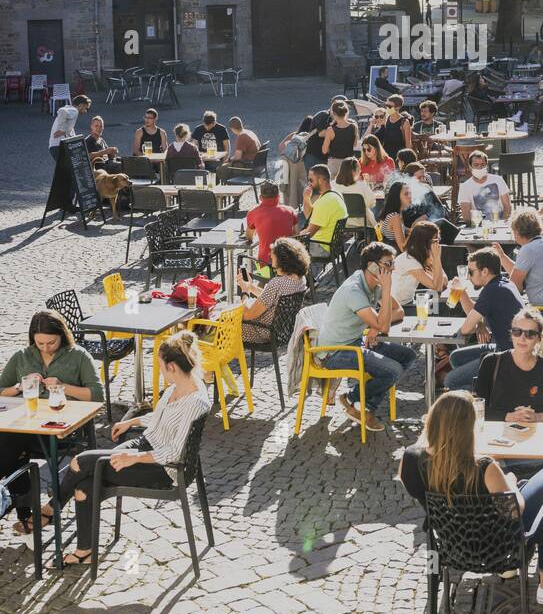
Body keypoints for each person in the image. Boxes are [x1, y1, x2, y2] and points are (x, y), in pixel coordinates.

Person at [398, 390, 543, 605]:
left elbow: (417, 490)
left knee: (534, 486)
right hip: (498, 545)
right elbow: (515, 509)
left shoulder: (409, 460)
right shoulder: (483, 467)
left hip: (451, 542)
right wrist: (509, 481)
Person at [53, 331, 210, 568]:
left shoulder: (195, 401)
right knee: (85, 479)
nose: (159, 370)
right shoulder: (178, 386)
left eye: (160, 366)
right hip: (145, 445)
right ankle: (84, 549)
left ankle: (49, 511)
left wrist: (133, 458)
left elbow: (174, 453)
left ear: (171, 367)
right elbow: (160, 419)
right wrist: (131, 422)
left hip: (162, 468)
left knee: (82, 462)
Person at [0, 311, 104, 535]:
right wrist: (20, 387)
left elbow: (97, 395)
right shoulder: (22, 356)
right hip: (26, 428)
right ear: (32, 339)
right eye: (40, 343)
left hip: (63, 432)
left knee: (9, 443)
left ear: (62, 335)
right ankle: (26, 515)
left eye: (51, 342)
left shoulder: (79, 356)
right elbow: (1, 390)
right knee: (9, 440)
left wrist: (62, 386)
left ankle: (19, 509)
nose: (46, 347)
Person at [317, 242, 415, 431]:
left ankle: (358, 402)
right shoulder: (354, 290)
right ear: (372, 265)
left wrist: (375, 328)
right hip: (334, 352)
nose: (392, 269)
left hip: (355, 342)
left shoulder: (373, 283)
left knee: (408, 355)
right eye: (388, 264)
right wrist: (379, 318)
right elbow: (384, 323)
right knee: (393, 370)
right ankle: (360, 404)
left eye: (393, 263)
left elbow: (398, 311)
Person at [445, 248, 523, 390]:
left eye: (471, 272)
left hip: (507, 355)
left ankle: (489, 397)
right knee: (456, 357)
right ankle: (484, 384)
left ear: (485, 271)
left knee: (451, 381)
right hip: (509, 348)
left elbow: (466, 329)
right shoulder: (503, 282)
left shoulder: (491, 291)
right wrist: (461, 293)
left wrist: (475, 323)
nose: (468, 277)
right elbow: (476, 312)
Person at [475, 307, 543, 422]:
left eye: (530, 334)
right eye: (517, 332)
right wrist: (509, 416)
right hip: (498, 436)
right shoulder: (491, 362)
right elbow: (476, 408)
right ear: (511, 335)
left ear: (539, 338)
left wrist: (536, 417)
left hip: (537, 435)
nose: (522, 338)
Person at [236, 236, 310, 344]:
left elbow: (248, 314)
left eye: (273, 256)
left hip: (261, 331)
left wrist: (245, 293)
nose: (270, 257)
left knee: (220, 321)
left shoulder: (277, 283)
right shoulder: (300, 279)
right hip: (282, 331)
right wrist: (251, 287)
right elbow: (272, 298)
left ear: (282, 260)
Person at [244, 181, 297, 270]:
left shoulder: (253, 212)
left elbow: (249, 236)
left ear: (260, 197)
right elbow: (297, 235)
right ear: (278, 197)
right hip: (289, 262)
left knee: (263, 279)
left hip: (266, 263)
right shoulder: (290, 211)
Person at [391, 222, 447, 307]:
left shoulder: (420, 256)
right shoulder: (409, 260)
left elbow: (444, 283)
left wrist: (435, 261)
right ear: (425, 242)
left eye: (439, 239)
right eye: (435, 240)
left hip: (407, 302)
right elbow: (437, 287)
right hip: (398, 306)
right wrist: (436, 258)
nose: (438, 244)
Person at [298, 164, 348, 256]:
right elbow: (309, 216)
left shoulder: (325, 202)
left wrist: (295, 238)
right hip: (332, 245)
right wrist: (306, 198)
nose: (309, 184)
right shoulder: (334, 194)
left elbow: (309, 234)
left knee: (286, 251)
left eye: (311, 180)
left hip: (321, 247)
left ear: (321, 180)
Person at [457, 150, 512, 223]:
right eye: (476, 165)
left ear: (486, 165)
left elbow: (507, 206)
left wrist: (503, 223)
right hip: (478, 225)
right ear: (470, 166)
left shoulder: (498, 180)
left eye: (483, 164)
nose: (480, 167)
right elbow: (466, 215)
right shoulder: (465, 187)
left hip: (500, 223)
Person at [333, 156, 378, 229]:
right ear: (353, 172)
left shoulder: (332, 185)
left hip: (339, 221)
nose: (360, 171)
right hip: (360, 222)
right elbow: (372, 203)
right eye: (359, 169)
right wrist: (366, 184)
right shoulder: (361, 185)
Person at [320, 99, 360, 178]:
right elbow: (355, 144)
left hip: (335, 163)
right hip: (349, 163)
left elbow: (324, 150)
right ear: (346, 112)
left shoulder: (331, 130)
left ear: (334, 114)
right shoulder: (353, 127)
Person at [48, 94, 91, 161]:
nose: (86, 111)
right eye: (86, 108)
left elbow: (69, 133)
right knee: (69, 169)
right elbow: (62, 111)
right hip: (58, 147)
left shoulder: (70, 112)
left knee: (67, 169)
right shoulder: (74, 111)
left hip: (57, 147)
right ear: (81, 105)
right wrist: (62, 129)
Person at [379, 179, 414, 251]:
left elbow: (403, 230)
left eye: (410, 193)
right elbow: (403, 248)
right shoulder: (395, 217)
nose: (410, 196)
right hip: (396, 256)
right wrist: (414, 232)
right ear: (397, 197)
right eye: (406, 194)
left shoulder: (396, 212)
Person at [377, 94, 414, 160]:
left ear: (398, 107)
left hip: (398, 156)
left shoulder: (404, 122)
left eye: (390, 106)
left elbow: (408, 144)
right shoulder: (386, 118)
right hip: (386, 156)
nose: (387, 108)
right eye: (386, 105)